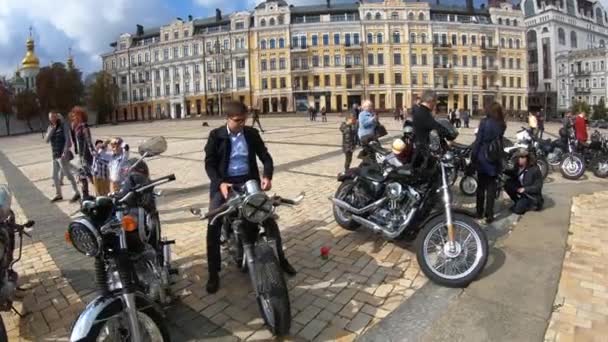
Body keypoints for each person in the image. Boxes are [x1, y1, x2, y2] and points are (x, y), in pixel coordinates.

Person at [204, 101, 295, 294]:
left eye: (244, 120)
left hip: (248, 181)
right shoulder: (216, 136)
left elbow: (265, 157)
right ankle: (213, 272)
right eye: (238, 121)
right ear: (227, 119)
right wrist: (219, 182)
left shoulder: (251, 134)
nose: (242, 124)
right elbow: (209, 163)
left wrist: (267, 176)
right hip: (224, 184)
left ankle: (281, 259)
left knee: (266, 215)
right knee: (213, 221)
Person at [472, 102, 507, 224]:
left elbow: (478, 141)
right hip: (494, 156)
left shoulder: (484, 122)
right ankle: (489, 214)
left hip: (483, 156)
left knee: (481, 187)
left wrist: (473, 157)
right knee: (491, 187)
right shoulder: (502, 124)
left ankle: (479, 212)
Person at [45, 111, 80, 203]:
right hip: (55, 155)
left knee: (68, 174)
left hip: (62, 155)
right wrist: (52, 129)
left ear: (57, 117)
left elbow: (68, 140)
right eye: (50, 117)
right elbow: (46, 140)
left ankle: (76, 193)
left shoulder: (63, 126)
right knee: (54, 176)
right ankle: (58, 194)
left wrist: (65, 151)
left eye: (54, 116)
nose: (52, 118)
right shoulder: (50, 127)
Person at [504, 149, 544, 215]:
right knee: (508, 184)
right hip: (522, 192)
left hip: (531, 196)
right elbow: (514, 174)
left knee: (518, 210)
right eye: (519, 157)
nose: (520, 159)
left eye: (523, 157)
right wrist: (504, 170)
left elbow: (538, 187)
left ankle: (531, 205)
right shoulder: (518, 167)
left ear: (527, 158)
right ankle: (518, 201)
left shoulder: (535, 169)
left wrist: (525, 189)